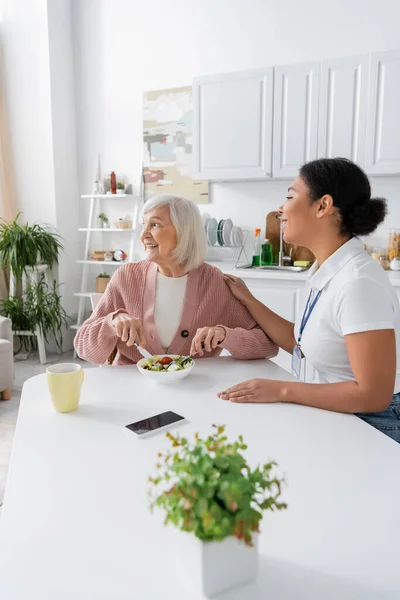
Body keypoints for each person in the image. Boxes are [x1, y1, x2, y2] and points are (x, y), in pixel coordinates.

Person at [220, 158, 400, 443]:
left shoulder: (358, 283)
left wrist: (280, 390)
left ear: (322, 206)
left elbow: (373, 395)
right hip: (340, 415)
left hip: (374, 425)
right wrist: (249, 300)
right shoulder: (327, 269)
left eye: (290, 196)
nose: (281, 207)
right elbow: (302, 342)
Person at [74, 194, 277, 365]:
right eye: (144, 225)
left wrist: (225, 336)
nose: (143, 234)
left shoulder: (215, 283)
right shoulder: (126, 277)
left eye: (154, 225)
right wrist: (112, 322)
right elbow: (84, 349)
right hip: (131, 394)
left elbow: (267, 345)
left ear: (184, 232)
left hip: (194, 392)